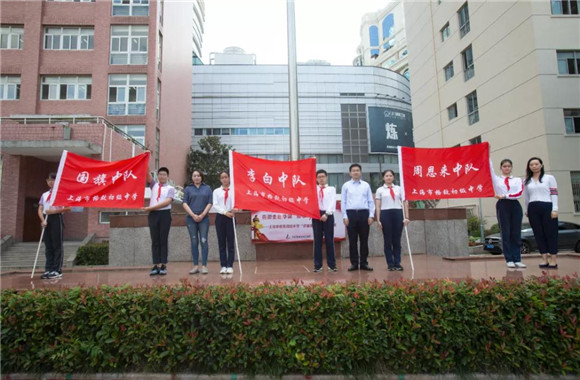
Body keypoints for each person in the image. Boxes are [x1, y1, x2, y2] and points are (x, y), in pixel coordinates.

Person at [523, 157, 559, 269]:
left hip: (547, 206)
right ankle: (544, 258)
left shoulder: (549, 178)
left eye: (536, 164)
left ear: (541, 165)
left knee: (550, 233)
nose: (534, 166)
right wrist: (527, 209)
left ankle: (553, 258)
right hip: (533, 208)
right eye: (531, 165)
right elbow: (526, 197)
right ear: (529, 167)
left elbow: (554, 193)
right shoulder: (527, 181)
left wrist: (555, 209)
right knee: (538, 233)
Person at [490, 159, 526, 269]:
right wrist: (487, 153)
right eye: (504, 166)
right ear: (500, 167)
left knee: (516, 232)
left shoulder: (518, 180)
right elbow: (490, 169)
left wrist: (506, 195)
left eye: (509, 166)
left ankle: (517, 258)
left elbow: (519, 193)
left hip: (514, 204)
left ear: (511, 168)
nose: (507, 168)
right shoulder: (496, 179)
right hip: (502, 205)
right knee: (506, 232)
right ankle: (509, 258)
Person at [341, 164, 375, 271]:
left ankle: (364, 263)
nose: (355, 172)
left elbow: (370, 201)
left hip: (364, 214)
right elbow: (344, 202)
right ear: (350, 173)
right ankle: (354, 263)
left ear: (360, 172)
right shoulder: (346, 185)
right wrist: (345, 216)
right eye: (353, 170)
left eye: (357, 170)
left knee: (364, 240)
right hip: (351, 214)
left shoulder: (366, 185)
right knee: (352, 240)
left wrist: (371, 215)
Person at [37, 172, 71, 279]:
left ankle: (57, 269)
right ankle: (49, 269)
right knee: (48, 245)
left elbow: (68, 208)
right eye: (48, 180)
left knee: (57, 245)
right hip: (46, 220)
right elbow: (40, 209)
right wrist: (42, 220)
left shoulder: (61, 193)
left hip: (56, 218)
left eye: (52, 180)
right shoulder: (45, 195)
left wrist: (54, 212)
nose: (50, 182)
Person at [375, 170, 409, 271]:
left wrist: (406, 217)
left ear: (393, 177)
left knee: (397, 240)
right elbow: (378, 206)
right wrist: (378, 220)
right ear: (383, 178)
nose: (388, 177)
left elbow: (405, 203)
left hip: (398, 213)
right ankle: (390, 263)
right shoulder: (380, 190)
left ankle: (397, 263)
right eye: (386, 176)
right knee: (387, 240)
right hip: (385, 214)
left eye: (390, 176)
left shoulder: (399, 188)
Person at [143, 167, 175, 276]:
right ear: (157, 176)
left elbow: (167, 202)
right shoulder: (154, 185)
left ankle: (163, 265)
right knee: (155, 240)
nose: (162, 176)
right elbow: (146, 172)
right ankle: (155, 265)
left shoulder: (170, 188)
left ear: (167, 176)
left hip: (164, 214)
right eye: (160, 174)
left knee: (163, 240)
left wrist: (151, 208)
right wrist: (145, 157)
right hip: (153, 215)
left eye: (164, 174)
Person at [183, 169, 213, 274]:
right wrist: (193, 215)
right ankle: (195, 266)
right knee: (194, 241)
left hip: (204, 219)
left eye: (198, 175)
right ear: (192, 177)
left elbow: (210, 203)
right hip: (191, 218)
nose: (196, 177)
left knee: (204, 241)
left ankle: (204, 266)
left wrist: (202, 215)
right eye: (194, 175)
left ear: (202, 177)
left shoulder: (207, 188)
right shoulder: (188, 189)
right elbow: (185, 203)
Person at [312, 169, 337, 272]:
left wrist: (326, 214)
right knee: (317, 240)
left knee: (329, 240)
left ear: (326, 177)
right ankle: (318, 266)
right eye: (319, 177)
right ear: (316, 179)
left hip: (328, 215)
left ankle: (332, 265)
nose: (321, 179)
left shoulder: (331, 189)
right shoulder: (313, 189)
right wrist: (317, 213)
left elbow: (332, 202)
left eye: (323, 176)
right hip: (316, 215)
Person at [213, 171, 236, 275]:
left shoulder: (234, 190)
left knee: (230, 242)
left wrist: (236, 209)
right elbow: (215, 205)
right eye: (222, 177)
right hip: (221, 217)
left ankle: (230, 265)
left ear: (229, 178)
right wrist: (225, 212)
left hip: (231, 217)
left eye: (226, 177)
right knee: (221, 242)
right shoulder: (216, 191)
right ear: (220, 179)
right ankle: (223, 265)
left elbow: (237, 203)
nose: (224, 179)